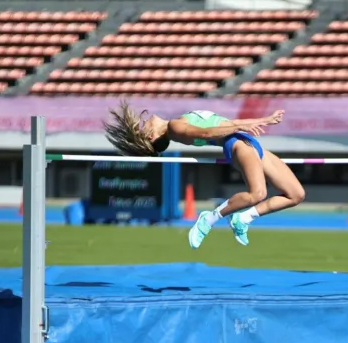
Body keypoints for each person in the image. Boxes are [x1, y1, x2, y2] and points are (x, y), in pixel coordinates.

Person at [102, 100, 305, 248]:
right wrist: (240, 126)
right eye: (142, 128)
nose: (143, 122)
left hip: (248, 142)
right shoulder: (174, 127)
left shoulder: (176, 123)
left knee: (295, 194)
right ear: (152, 135)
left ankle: (243, 218)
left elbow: (222, 124)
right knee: (257, 194)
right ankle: (209, 219)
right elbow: (208, 133)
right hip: (238, 145)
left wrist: (264, 120)